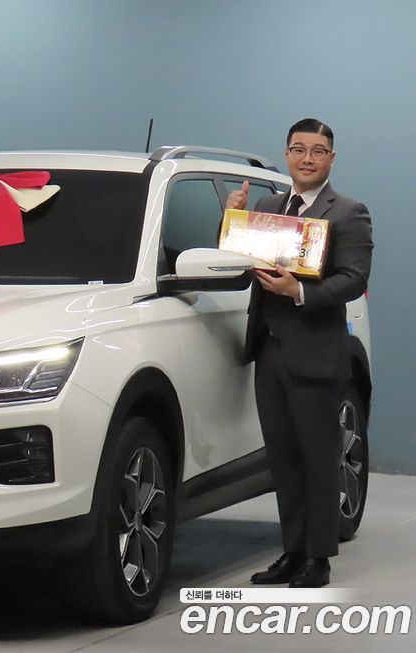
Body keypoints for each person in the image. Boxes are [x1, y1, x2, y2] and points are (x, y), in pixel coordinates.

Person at [225, 118, 373, 587]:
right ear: (287, 154)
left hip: (315, 353)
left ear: (331, 158)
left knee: (319, 457)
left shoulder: (348, 212)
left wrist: (300, 293)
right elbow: (238, 263)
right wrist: (231, 221)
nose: (307, 159)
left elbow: (354, 279)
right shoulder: (268, 207)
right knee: (284, 460)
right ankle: (292, 552)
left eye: (317, 151)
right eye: (298, 149)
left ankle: (318, 558)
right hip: (268, 350)